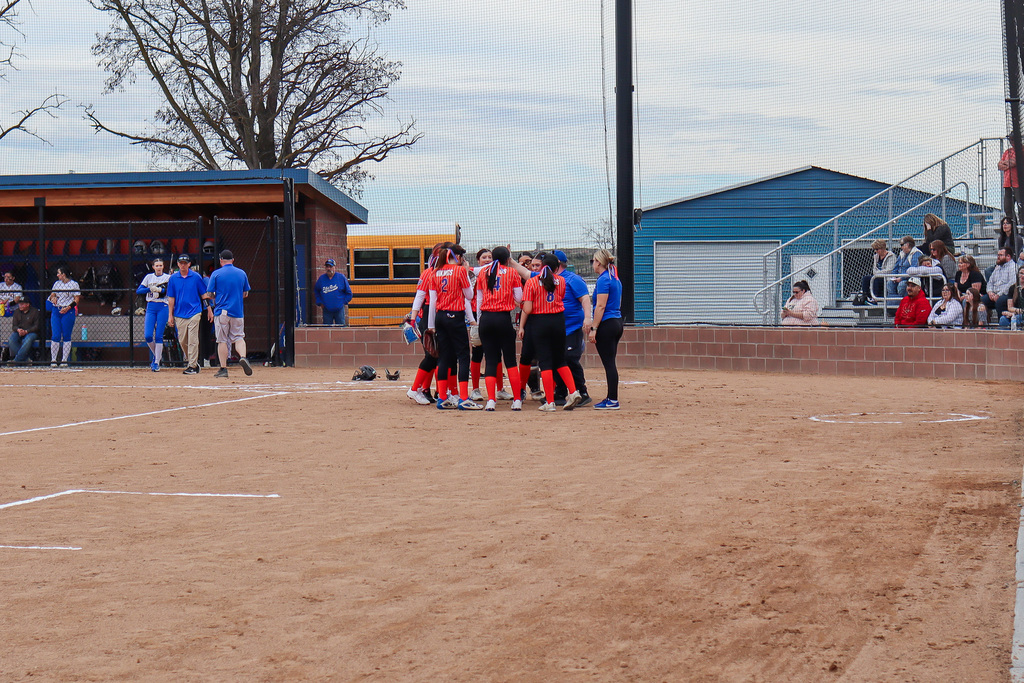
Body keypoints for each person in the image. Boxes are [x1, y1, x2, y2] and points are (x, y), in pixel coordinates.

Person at [517, 252, 583, 412]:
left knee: (545, 362)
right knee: (560, 360)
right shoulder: (561, 281)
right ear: (556, 267)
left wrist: (518, 303)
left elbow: (528, 308)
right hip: (558, 321)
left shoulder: (532, 282)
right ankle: (573, 392)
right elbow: (558, 297)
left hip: (540, 322)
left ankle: (550, 402)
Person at [427, 245, 480, 410]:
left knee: (444, 357)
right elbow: (469, 295)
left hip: (440, 317)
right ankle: (463, 398)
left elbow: (433, 301)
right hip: (455, 315)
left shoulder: (434, 273)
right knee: (463, 356)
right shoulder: (459, 271)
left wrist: (431, 325)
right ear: (455, 257)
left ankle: (442, 398)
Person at [476, 247, 524, 411]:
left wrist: (477, 321)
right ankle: (517, 400)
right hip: (503, 319)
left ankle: (491, 400)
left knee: (490, 360)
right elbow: (519, 298)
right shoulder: (511, 273)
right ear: (507, 259)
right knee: (510, 361)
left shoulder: (483, 273)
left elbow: (479, 300)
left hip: (486, 319)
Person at [405, 243, 448, 404]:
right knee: (433, 355)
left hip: (440, 314)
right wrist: (413, 318)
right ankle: (420, 389)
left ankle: (438, 390)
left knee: (439, 356)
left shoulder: (448, 272)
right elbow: (420, 296)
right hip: (430, 316)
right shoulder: (430, 272)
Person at [551, 250, 592, 408]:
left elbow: (585, 299)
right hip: (558, 329)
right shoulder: (549, 279)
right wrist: (510, 261)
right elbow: (528, 275)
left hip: (572, 327)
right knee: (557, 359)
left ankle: (582, 392)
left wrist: (588, 318)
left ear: (558, 264)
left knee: (570, 358)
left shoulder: (572, 279)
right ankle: (560, 392)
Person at [205, 249, 252, 378]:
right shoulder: (241, 273)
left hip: (222, 312)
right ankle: (243, 357)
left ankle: (223, 368)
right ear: (233, 260)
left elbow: (209, 294)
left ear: (221, 260)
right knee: (238, 337)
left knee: (222, 340)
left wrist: (218, 296)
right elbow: (245, 293)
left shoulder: (216, 274)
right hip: (237, 311)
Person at [589, 249, 623, 410]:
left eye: (593, 260)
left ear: (599, 262)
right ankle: (611, 397)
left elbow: (600, 306)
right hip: (616, 321)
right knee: (610, 362)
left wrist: (594, 328)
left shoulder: (604, 280)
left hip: (607, 324)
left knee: (609, 363)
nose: (592, 264)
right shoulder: (614, 278)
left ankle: (613, 400)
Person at [166, 253, 208, 375]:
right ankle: (192, 361)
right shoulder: (173, 279)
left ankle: (192, 365)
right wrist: (170, 315)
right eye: (181, 263)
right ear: (178, 264)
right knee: (182, 340)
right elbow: (171, 298)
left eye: (185, 263)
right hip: (179, 313)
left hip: (195, 311)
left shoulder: (196, 277)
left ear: (189, 264)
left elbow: (203, 295)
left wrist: (209, 309)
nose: (183, 265)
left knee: (193, 339)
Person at [136, 257, 171, 372]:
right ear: (153, 267)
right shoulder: (149, 277)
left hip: (163, 306)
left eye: (161, 265)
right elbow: (139, 290)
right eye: (157, 266)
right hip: (151, 306)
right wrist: (150, 289)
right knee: (148, 335)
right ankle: (157, 355)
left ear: (163, 266)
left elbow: (169, 291)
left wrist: (160, 290)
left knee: (159, 335)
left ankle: (156, 362)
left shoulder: (167, 277)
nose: (159, 268)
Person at [47, 265, 80, 367]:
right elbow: (53, 294)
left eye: (59, 273)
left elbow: (76, 299)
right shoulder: (57, 283)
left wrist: (68, 307)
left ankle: (64, 360)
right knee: (55, 335)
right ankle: (53, 359)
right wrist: (53, 298)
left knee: (66, 335)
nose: (57, 275)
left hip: (68, 310)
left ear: (63, 274)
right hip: (57, 309)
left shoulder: (74, 284)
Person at [314, 259, 353, 326]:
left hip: (339, 310)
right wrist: (320, 303)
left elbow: (349, 293)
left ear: (334, 267)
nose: (329, 268)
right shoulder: (321, 279)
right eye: (327, 266)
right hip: (327, 310)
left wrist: (343, 302)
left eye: (330, 266)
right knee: (327, 330)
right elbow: (316, 291)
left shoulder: (341, 278)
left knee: (341, 329)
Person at [985, 247, 1016, 322]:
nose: (998, 257)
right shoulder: (997, 267)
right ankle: (983, 324)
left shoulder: (1013, 267)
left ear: (1008, 256)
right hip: (994, 294)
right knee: (982, 300)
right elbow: (990, 282)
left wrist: (998, 294)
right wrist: (990, 292)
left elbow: (1011, 283)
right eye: (998, 255)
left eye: (1000, 255)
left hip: (1006, 294)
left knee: (1000, 301)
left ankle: (1001, 324)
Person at [861, 239, 895, 303]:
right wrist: (876, 274)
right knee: (866, 278)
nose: (876, 251)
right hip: (877, 275)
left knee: (875, 279)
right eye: (875, 249)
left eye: (877, 249)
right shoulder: (876, 257)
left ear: (882, 248)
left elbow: (889, 270)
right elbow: (874, 269)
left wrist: (877, 274)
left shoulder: (891, 256)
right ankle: (865, 295)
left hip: (886, 277)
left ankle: (875, 298)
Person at [7, 298, 39, 364]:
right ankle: (25, 360)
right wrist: (18, 330)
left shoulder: (35, 312)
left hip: (31, 332)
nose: (20, 306)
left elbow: (37, 326)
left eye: (22, 304)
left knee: (27, 340)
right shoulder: (17, 311)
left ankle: (16, 361)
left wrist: (27, 331)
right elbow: (14, 326)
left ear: (28, 304)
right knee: (11, 339)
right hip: (19, 331)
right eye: (19, 304)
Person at [998, 136, 1021, 223]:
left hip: (1018, 184)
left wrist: (1007, 163)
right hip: (1008, 184)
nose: (1012, 141)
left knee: (1021, 208)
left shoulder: (1021, 149)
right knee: (1008, 208)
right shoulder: (1007, 151)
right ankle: (1013, 228)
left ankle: (1022, 228)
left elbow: (1014, 162)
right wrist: (1007, 163)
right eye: (1010, 139)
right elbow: (1000, 165)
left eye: (1013, 139)